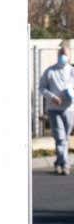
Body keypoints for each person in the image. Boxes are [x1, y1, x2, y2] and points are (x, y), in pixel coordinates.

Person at [38, 43, 74, 175]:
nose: (63, 56)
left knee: (65, 137)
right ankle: (65, 164)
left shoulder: (72, 71)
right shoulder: (50, 71)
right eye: (61, 54)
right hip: (54, 109)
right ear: (58, 55)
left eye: (65, 54)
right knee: (60, 137)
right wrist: (52, 97)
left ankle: (58, 162)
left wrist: (69, 95)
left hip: (69, 109)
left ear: (70, 56)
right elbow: (42, 88)